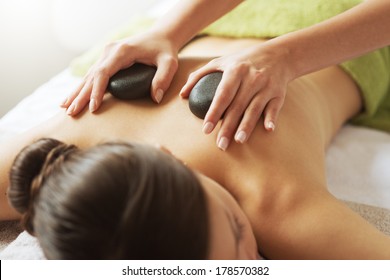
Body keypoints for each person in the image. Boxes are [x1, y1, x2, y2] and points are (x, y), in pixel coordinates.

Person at [0, 0, 390, 259]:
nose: (252, 261)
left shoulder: (274, 203)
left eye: (237, 231)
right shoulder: (59, 155)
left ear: (168, 158)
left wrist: (286, 56)